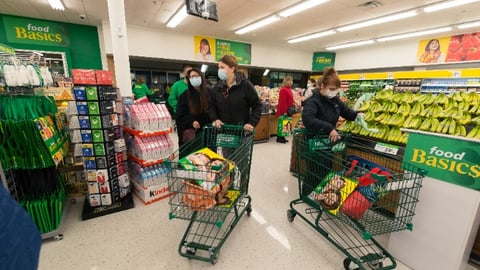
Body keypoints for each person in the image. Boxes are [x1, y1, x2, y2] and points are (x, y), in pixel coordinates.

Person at [301, 67, 362, 196]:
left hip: (327, 142)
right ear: (323, 86)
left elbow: (346, 112)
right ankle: (308, 195)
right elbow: (308, 119)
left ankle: (321, 195)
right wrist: (329, 128)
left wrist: (357, 115)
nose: (334, 92)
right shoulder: (313, 101)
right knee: (314, 169)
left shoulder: (335, 101)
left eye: (336, 90)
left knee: (325, 168)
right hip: (314, 141)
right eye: (332, 89)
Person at [209, 55, 262, 136]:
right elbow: (211, 106)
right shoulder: (217, 88)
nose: (219, 70)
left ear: (232, 68)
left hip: (242, 133)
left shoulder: (245, 85)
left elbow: (257, 105)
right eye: (218, 68)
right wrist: (215, 119)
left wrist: (251, 123)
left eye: (222, 67)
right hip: (224, 133)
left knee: (240, 149)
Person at [176, 67, 211, 148]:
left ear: (201, 77)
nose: (193, 78)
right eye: (191, 77)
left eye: (196, 76)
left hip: (208, 131)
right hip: (192, 132)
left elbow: (214, 109)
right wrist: (191, 122)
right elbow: (180, 114)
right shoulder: (185, 95)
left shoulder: (210, 92)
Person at [276, 76, 296, 143]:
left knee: (286, 123)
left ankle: (283, 137)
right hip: (284, 109)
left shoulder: (289, 89)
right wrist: (284, 111)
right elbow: (283, 101)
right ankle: (279, 138)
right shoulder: (283, 90)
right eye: (290, 81)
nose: (292, 82)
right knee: (282, 124)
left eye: (292, 81)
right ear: (287, 81)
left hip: (289, 109)